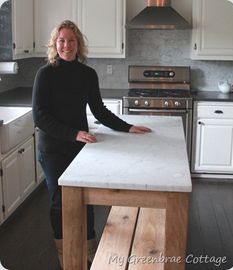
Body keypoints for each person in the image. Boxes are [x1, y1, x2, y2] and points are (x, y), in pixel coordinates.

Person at [32, 20, 151, 269]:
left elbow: (99, 110)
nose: (67, 45)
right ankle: (64, 251)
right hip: (53, 148)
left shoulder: (87, 74)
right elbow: (40, 117)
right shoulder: (45, 73)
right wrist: (74, 133)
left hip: (78, 147)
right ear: (55, 44)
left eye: (71, 40)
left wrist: (127, 127)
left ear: (79, 44)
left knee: (84, 198)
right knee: (59, 199)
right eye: (62, 40)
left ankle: (88, 248)